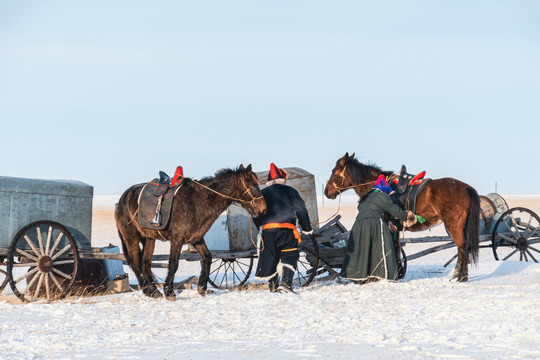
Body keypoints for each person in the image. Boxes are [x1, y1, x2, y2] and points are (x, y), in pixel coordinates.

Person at [340, 174, 417, 283]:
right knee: (382, 247)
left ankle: (361, 275)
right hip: (374, 224)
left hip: (359, 226)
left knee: (364, 250)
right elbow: (395, 211)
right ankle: (385, 275)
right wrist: (407, 216)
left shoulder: (366, 197)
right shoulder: (382, 196)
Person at [253, 163, 313, 294]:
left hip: (268, 232)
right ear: (282, 180)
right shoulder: (291, 191)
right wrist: (307, 228)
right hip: (287, 231)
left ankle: (273, 286)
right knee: (290, 256)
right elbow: (301, 210)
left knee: (270, 257)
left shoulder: (262, 193)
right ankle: (286, 283)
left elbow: (255, 214)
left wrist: (261, 226)